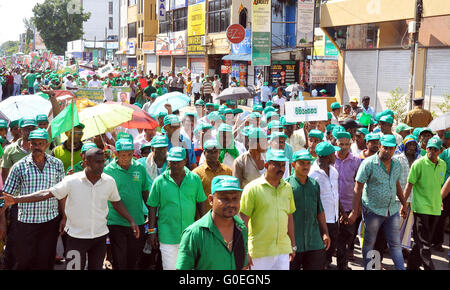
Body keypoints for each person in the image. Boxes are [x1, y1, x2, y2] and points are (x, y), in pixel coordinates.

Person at [0, 147, 140, 270]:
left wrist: (131, 220)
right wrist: (17, 199)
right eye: (97, 162)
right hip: (76, 238)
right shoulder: (71, 181)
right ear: (86, 163)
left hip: (99, 237)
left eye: (103, 161)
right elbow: (47, 193)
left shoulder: (109, 181)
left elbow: (116, 202)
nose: (101, 165)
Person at [0, 129, 65, 270]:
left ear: (47, 145)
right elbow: (6, 197)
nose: (37, 147)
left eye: (41, 144)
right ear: (29, 145)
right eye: (34, 144)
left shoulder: (57, 164)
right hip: (26, 223)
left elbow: (61, 194)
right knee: (23, 261)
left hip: (50, 221)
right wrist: (2, 223)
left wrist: (64, 217)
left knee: (45, 261)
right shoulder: (19, 167)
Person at [347, 135, 408, 270]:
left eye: (391, 148)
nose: (387, 151)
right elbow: (358, 187)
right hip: (373, 210)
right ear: (380, 146)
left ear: (395, 149)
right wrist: (354, 211)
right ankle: (369, 268)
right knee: (369, 243)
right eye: (385, 147)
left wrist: (403, 203)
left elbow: (396, 184)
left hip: (391, 210)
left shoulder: (396, 165)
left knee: (395, 244)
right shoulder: (368, 163)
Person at [147, 147, 207, 270]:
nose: (174, 165)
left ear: (185, 161)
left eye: (177, 162)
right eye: (171, 161)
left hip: (190, 235)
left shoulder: (194, 179)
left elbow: (201, 203)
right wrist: (152, 231)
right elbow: (152, 206)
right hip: (168, 236)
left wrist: (206, 227)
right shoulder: (159, 181)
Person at [239, 150, 296, 270]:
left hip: (282, 250)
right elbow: (242, 222)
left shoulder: (287, 188)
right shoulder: (252, 188)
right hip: (260, 251)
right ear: (266, 165)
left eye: (283, 165)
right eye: (276, 165)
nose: (281, 168)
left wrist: (292, 244)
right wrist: (244, 251)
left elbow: (289, 217)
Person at [176, 175, 248, 270]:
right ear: (211, 200)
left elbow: (242, 266)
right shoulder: (194, 234)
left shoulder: (241, 228)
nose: (231, 204)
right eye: (224, 199)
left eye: (235, 198)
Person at [103, 139, 150, 270]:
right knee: (119, 259)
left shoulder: (139, 168)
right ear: (116, 154)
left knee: (133, 258)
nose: (126, 158)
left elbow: (144, 190)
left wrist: (151, 212)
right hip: (116, 221)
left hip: (138, 219)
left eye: (129, 154)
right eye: (123, 155)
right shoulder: (108, 171)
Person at [403, 136, 446, 270]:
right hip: (420, 208)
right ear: (426, 148)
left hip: (435, 208)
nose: (432, 151)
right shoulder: (419, 164)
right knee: (425, 244)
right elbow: (409, 185)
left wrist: (440, 201)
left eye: (435, 149)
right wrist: (404, 205)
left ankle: (411, 267)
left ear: (440, 151)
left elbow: (438, 186)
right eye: (429, 148)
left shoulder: (443, 165)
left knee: (421, 242)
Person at [286, 150, 331, 270]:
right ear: (294, 165)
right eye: (302, 163)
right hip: (294, 242)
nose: (306, 166)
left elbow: (319, 211)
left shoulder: (314, 184)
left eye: (308, 163)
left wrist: (325, 233)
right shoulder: (286, 186)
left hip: (314, 241)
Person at [308, 142, 342, 269]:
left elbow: (335, 194)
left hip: (334, 219)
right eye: (334, 153)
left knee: (330, 249)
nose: (336, 156)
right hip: (321, 221)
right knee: (319, 253)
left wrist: (342, 212)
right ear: (328, 156)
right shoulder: (312, 174)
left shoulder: (334, 171)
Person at [334, 132, 361, 270]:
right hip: (332, 208)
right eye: (340, 144)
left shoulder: (356, 161)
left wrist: (357, 210)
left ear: (350, 145)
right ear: (335, 144)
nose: (343, 147)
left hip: (349, 207)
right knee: (333, 240)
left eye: (346, 144)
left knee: (346, 240)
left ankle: (342, 266)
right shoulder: (330, 160)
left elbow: (360, 186)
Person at [193, 140, 232, 214]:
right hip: (204, 217)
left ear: (219, 153)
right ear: (204, 153)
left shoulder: (227, 171)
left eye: (215, 152)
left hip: (224, 215)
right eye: (210, 152)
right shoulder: (196, 173)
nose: (213, 155)